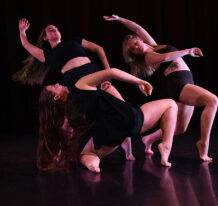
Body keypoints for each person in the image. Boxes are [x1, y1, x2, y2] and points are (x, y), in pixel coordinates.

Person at [13, 18, 136, 167]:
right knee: (68, 122)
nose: (55, 30)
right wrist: (22, 32)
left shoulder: (74, 41)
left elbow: (99, 49)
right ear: (45, 38)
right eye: (50, 30)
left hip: (96, 77)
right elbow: (26, 45)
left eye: (56, 28)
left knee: (123, 107)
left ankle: (128, 150)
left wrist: (107, 72)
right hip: (76, 85)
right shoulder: (47, 54)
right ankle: (60, 152)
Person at [104, 15, 218, 162]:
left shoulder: (154, 45)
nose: (136, 48)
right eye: (132, 49)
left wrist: (119, 19)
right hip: (177, 85)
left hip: (185, 82)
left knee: (180, 128)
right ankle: (203, 143)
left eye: (135, 43)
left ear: (139, 39)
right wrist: (187, 51)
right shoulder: (149, 57)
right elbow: (166, 58)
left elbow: (138, 28)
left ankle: (148, 139)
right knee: (212, 100)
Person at [43, 67, 178, 173]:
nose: (56, 83)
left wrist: (58, 154)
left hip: (109, 136)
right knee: (171, 104)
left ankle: (93, 163)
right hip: (130, 121)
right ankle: (166, 145)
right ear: (56, 97)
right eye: (54, 87)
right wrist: (139, 81)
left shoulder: (70, 116)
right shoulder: (79, 85)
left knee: (86, 153)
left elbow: (67, 135)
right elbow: (112, 72)